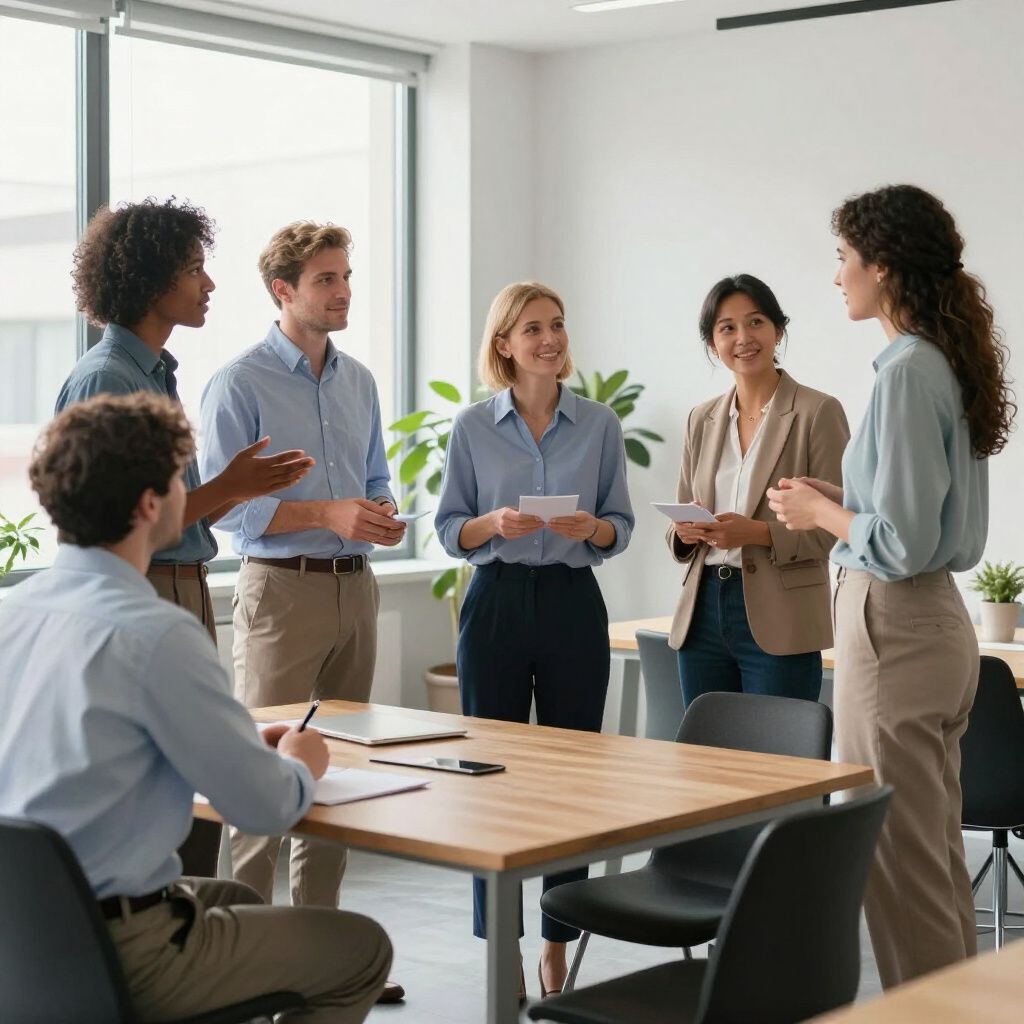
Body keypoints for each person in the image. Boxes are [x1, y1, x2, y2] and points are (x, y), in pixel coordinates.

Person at [0, 393, 391, 1022]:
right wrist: (298, 759)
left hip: (22, 933)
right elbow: (264, 806)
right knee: (362, 949)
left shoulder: (13, 613)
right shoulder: (154, 633)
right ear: (152, 504)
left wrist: (236, 739)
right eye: (186, 481)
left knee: (236, 895)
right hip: (124, 946)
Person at [767, 184, 1015, 988]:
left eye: (844, 259)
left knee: (897, 865)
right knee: (930, 857)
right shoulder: (940, 362)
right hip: (929, 626)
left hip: (895, 626)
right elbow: (926, 523)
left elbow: (901, 542)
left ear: (884, 265)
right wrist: (843, 504)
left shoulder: (908, 371)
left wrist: (816, 512)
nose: (837, 276)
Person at [58, 198, 313, 876]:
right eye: (194, 269)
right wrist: (233, 486)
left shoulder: (155, 372)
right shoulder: (109, 378)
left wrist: (235, 484)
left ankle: (192, 928)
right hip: (148, 589)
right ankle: (181, 943)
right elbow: (122, 517)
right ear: (149, 280)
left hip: (178, 586)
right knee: (169, 785)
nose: (210, 284)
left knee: (190, 780)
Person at [200, 221, 406, 1004]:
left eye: (346, 275)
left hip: (357, 589)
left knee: (339, 771)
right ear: (283, 290)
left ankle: (323, 962)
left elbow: (377, 476)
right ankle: (242, 968)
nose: (343, 290)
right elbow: (231, 516)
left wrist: (377, 513)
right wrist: (328, 514)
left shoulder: (359, 380)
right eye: (326, 278)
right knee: (261, 777)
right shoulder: (239, 383)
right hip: (280, 597)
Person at [435, 281, 634, 999]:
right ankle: (504, 950)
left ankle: (558, 941)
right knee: (491, 778)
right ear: (504, 344)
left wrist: (593, 529)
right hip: (495, 602)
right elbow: (449, 528)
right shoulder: (472, 427)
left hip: (575, 603)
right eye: (532, 329)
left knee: (571, 779)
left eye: (556, 325)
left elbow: (621, 523)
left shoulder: (599, 424)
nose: (549, 339)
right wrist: (493, 524)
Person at [667, 275, 850, 706]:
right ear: (713, 343)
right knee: (706, 762)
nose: (743, 338)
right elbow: (678, 515)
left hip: (781, 617)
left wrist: (758, 534)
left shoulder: (817, 411)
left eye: (755, 322)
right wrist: (685, 532)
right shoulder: (701, 418)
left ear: (778, 330)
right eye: (727, 328)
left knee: (779, 767)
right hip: (703, 610)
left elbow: (841, 526)